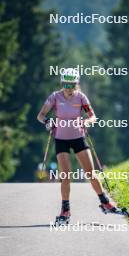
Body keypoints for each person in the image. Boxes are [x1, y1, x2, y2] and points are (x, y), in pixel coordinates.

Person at [37, 68, 116, 224]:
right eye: (66, 84)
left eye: (72, 85)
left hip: (78, 138)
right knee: (66, 176)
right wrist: (48, 122)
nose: (69, 88)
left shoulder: (81, 97)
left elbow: (93, 116)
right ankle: (65, 211)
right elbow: (40, 115)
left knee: (91, 173)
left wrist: (86, 121)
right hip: (61, 139)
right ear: (62, 83)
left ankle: (105, 202)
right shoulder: (55, 97)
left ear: (77, 84)